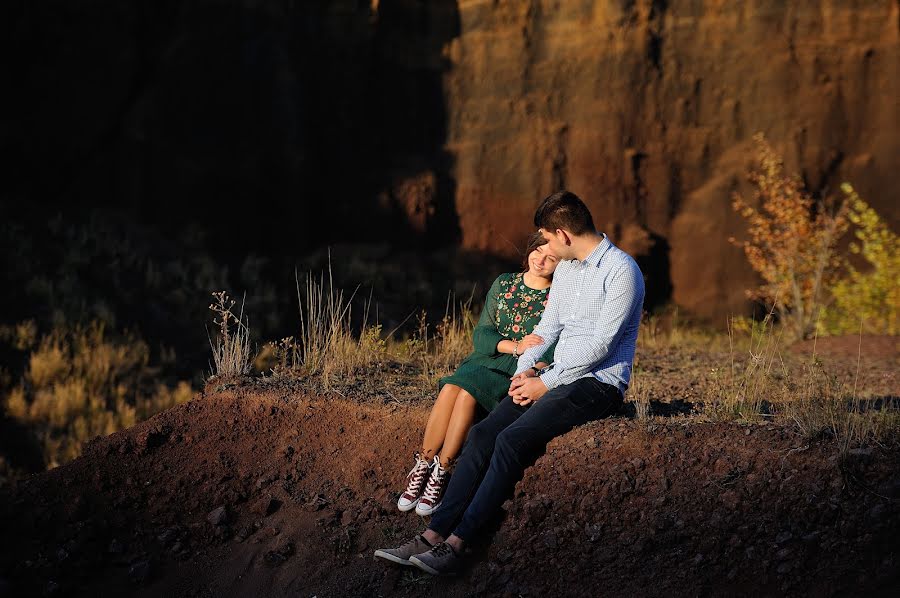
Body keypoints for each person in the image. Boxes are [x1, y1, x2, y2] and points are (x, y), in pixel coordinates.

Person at [374, 190, 645, 575]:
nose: (545, 249)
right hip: (549, 375)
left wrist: (546, 381)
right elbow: (548, 328)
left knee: (511, 440)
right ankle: (432, 535)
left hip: (597, 383)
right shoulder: (568, 269)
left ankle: (457, 545)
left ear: (563, 234)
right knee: (483, 434)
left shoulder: (622, 270)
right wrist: (526, 368)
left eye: (547, 239)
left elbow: (602, 344)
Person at [393, 232, 559, 518]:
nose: (540, 261)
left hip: (514, 370)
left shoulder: (557, 297)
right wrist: (517, 345)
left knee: (467, 391)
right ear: (529, 250)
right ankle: (424, 463)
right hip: (484, 359)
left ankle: (443, 470)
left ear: (560, 264)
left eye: (551, 258)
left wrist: (524, 359)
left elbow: (549, 351)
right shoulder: (504, 283)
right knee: (451, 388)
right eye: (537, 252)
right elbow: (482, 334)